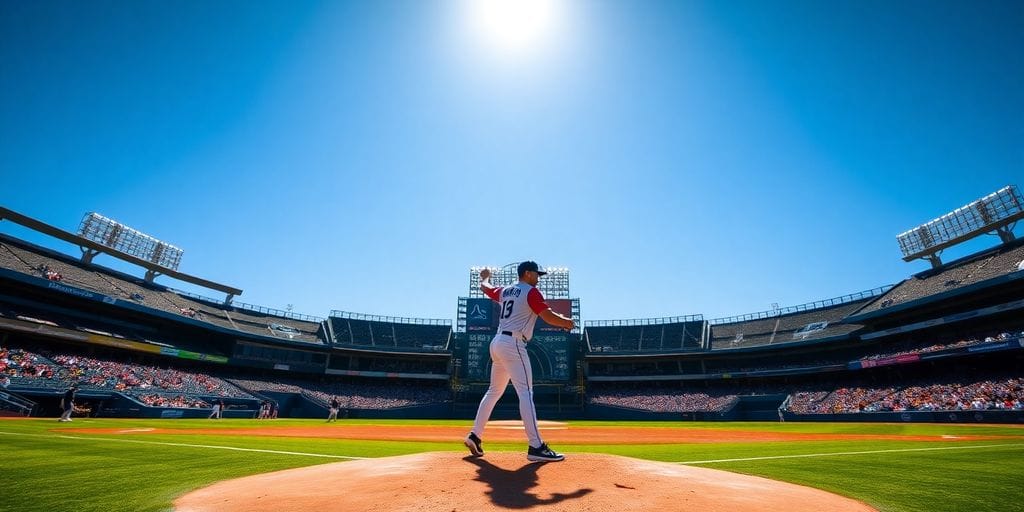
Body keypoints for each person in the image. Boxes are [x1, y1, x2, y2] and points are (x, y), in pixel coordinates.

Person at [464, 261, 575, 462]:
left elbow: (485, 288)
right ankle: (536, 446)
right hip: (514, 343)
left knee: (493, 392)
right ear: (527, 273)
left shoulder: (506, 291)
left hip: (497, 342)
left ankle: (475, 435)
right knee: (525, 393)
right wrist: (566, 322)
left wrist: (485, 276)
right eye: (536, 274)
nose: (538, 278)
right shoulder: (531, 292)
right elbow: (548, 317)